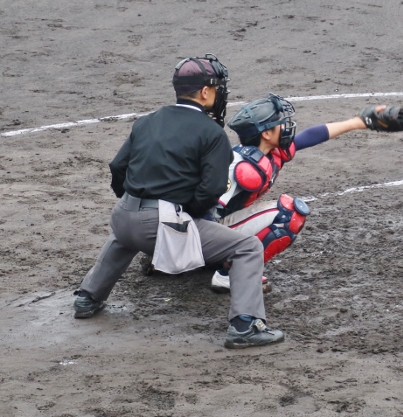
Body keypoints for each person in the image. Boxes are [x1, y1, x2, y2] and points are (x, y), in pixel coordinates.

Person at [73, 54, 285, 349]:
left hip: (123, 216)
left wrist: (133, 201)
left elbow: (118, 167)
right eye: (218, 88)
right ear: (205, 92)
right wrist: (188, 216)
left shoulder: (147, 122)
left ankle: (87, 297)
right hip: (161, 224)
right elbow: (211, 189)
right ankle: (245, 326)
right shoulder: (211, 133)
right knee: (247, 247)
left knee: (125, 234)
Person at [204, 94, 403, 293]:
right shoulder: (238, 167)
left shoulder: (268, 151)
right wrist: (212, 249)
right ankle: (230, 275)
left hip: (216, 234)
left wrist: (358, 122)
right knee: (288, 213)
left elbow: (310, 136)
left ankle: (227, 259)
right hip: (201, 237)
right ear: (266, 134)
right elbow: (204, 213)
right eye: (279, 123)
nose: (286, 126)